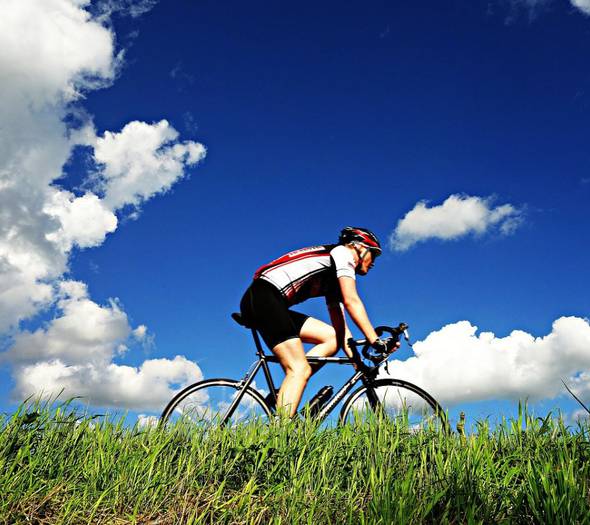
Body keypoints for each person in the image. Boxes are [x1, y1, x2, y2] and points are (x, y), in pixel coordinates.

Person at [240, 227, 396, 418]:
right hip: (264, 296)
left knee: (331, 338)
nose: (374, 263)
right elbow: (352, 301)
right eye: (374, 254)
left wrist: (356, 360)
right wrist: (375, 340)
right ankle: (280, 435)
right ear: (359, 248)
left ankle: (284, 391)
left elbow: (340, 329)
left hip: (267, 300)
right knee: (299, 369)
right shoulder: (343, 253)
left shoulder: (332, 278)